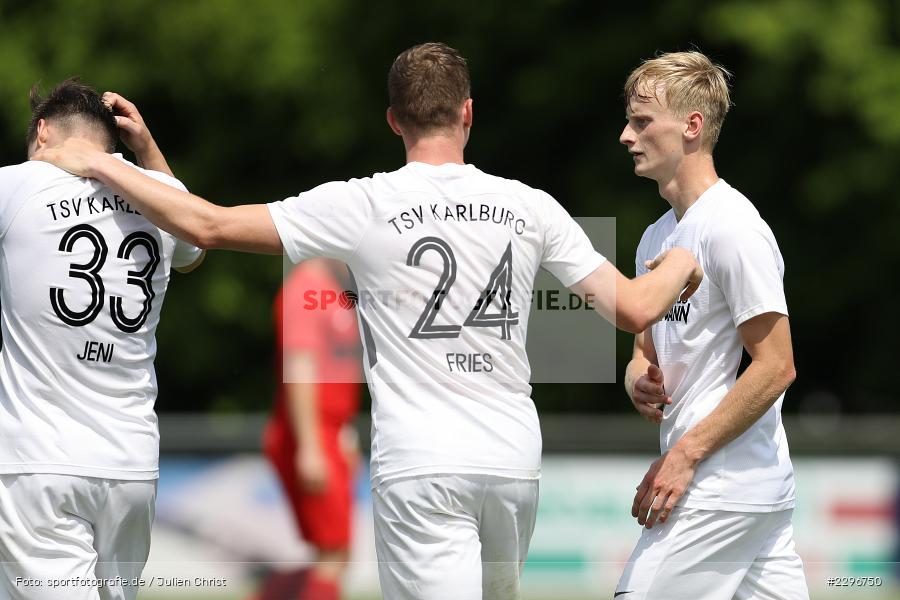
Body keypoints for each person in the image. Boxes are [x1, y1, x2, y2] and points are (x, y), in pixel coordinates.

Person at [33, 43, 703, 600]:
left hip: (421, 462)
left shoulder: (364, 205)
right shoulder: (528, 206)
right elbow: (636, 307)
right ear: (469, 113)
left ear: (393, 120)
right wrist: (681, 258)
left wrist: (103, 160)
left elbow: (205, 225)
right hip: (511, 462)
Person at [616, 51, 809, 599]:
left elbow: (777, 367)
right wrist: (638, 381)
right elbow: (642, 355)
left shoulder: (732, 228)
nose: (626, 136)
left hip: (715, 489)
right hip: (751, 492)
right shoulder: (655, 238)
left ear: (692, 126)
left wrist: (684, 454)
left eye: (642, 121)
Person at [0, 80, 204, 600]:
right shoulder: (159, 200)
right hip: (131, 468)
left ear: (42, 132)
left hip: (38, 462)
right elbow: (194, 249)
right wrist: (147, 150)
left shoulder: (20, 185)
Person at [259, 259, 362, 600]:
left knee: (334, 552)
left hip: (327, 432)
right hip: (308, 433)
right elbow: (299, 367)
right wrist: (311, 445)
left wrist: (343, 433)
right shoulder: (304, 288)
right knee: (333, 552)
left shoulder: (334, 287)